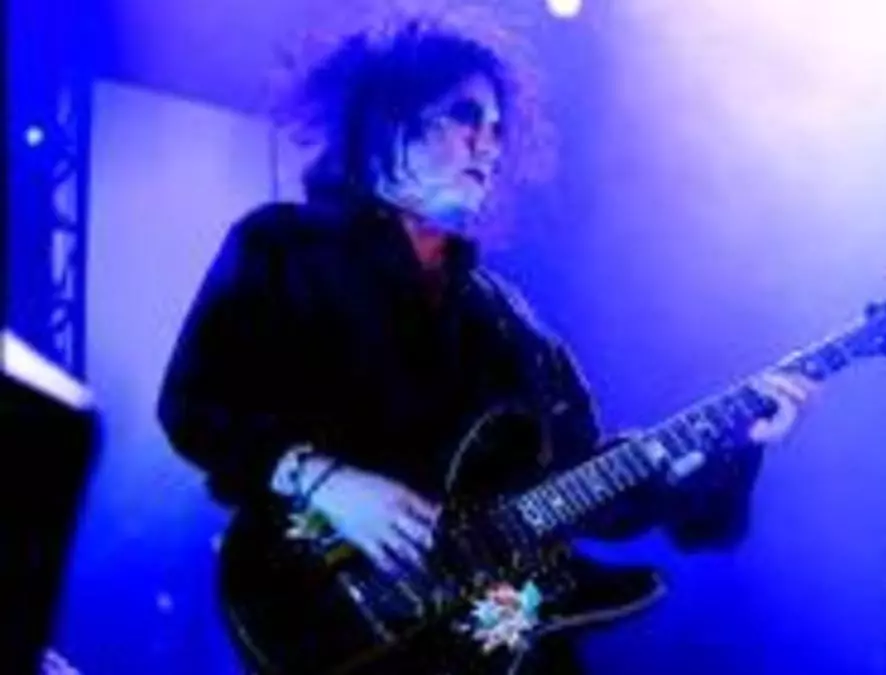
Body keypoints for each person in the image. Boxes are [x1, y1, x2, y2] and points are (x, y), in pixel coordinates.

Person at [156, 8, 816, 673]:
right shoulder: (285, 247)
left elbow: (589, 489)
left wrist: (729, 447)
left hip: (509, 647)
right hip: (321, 605)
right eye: (466, 117)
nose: (490, 145)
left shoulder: (510, 318)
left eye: (499, 129)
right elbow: (195, 404)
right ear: (389, 118)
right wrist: (329, 482)